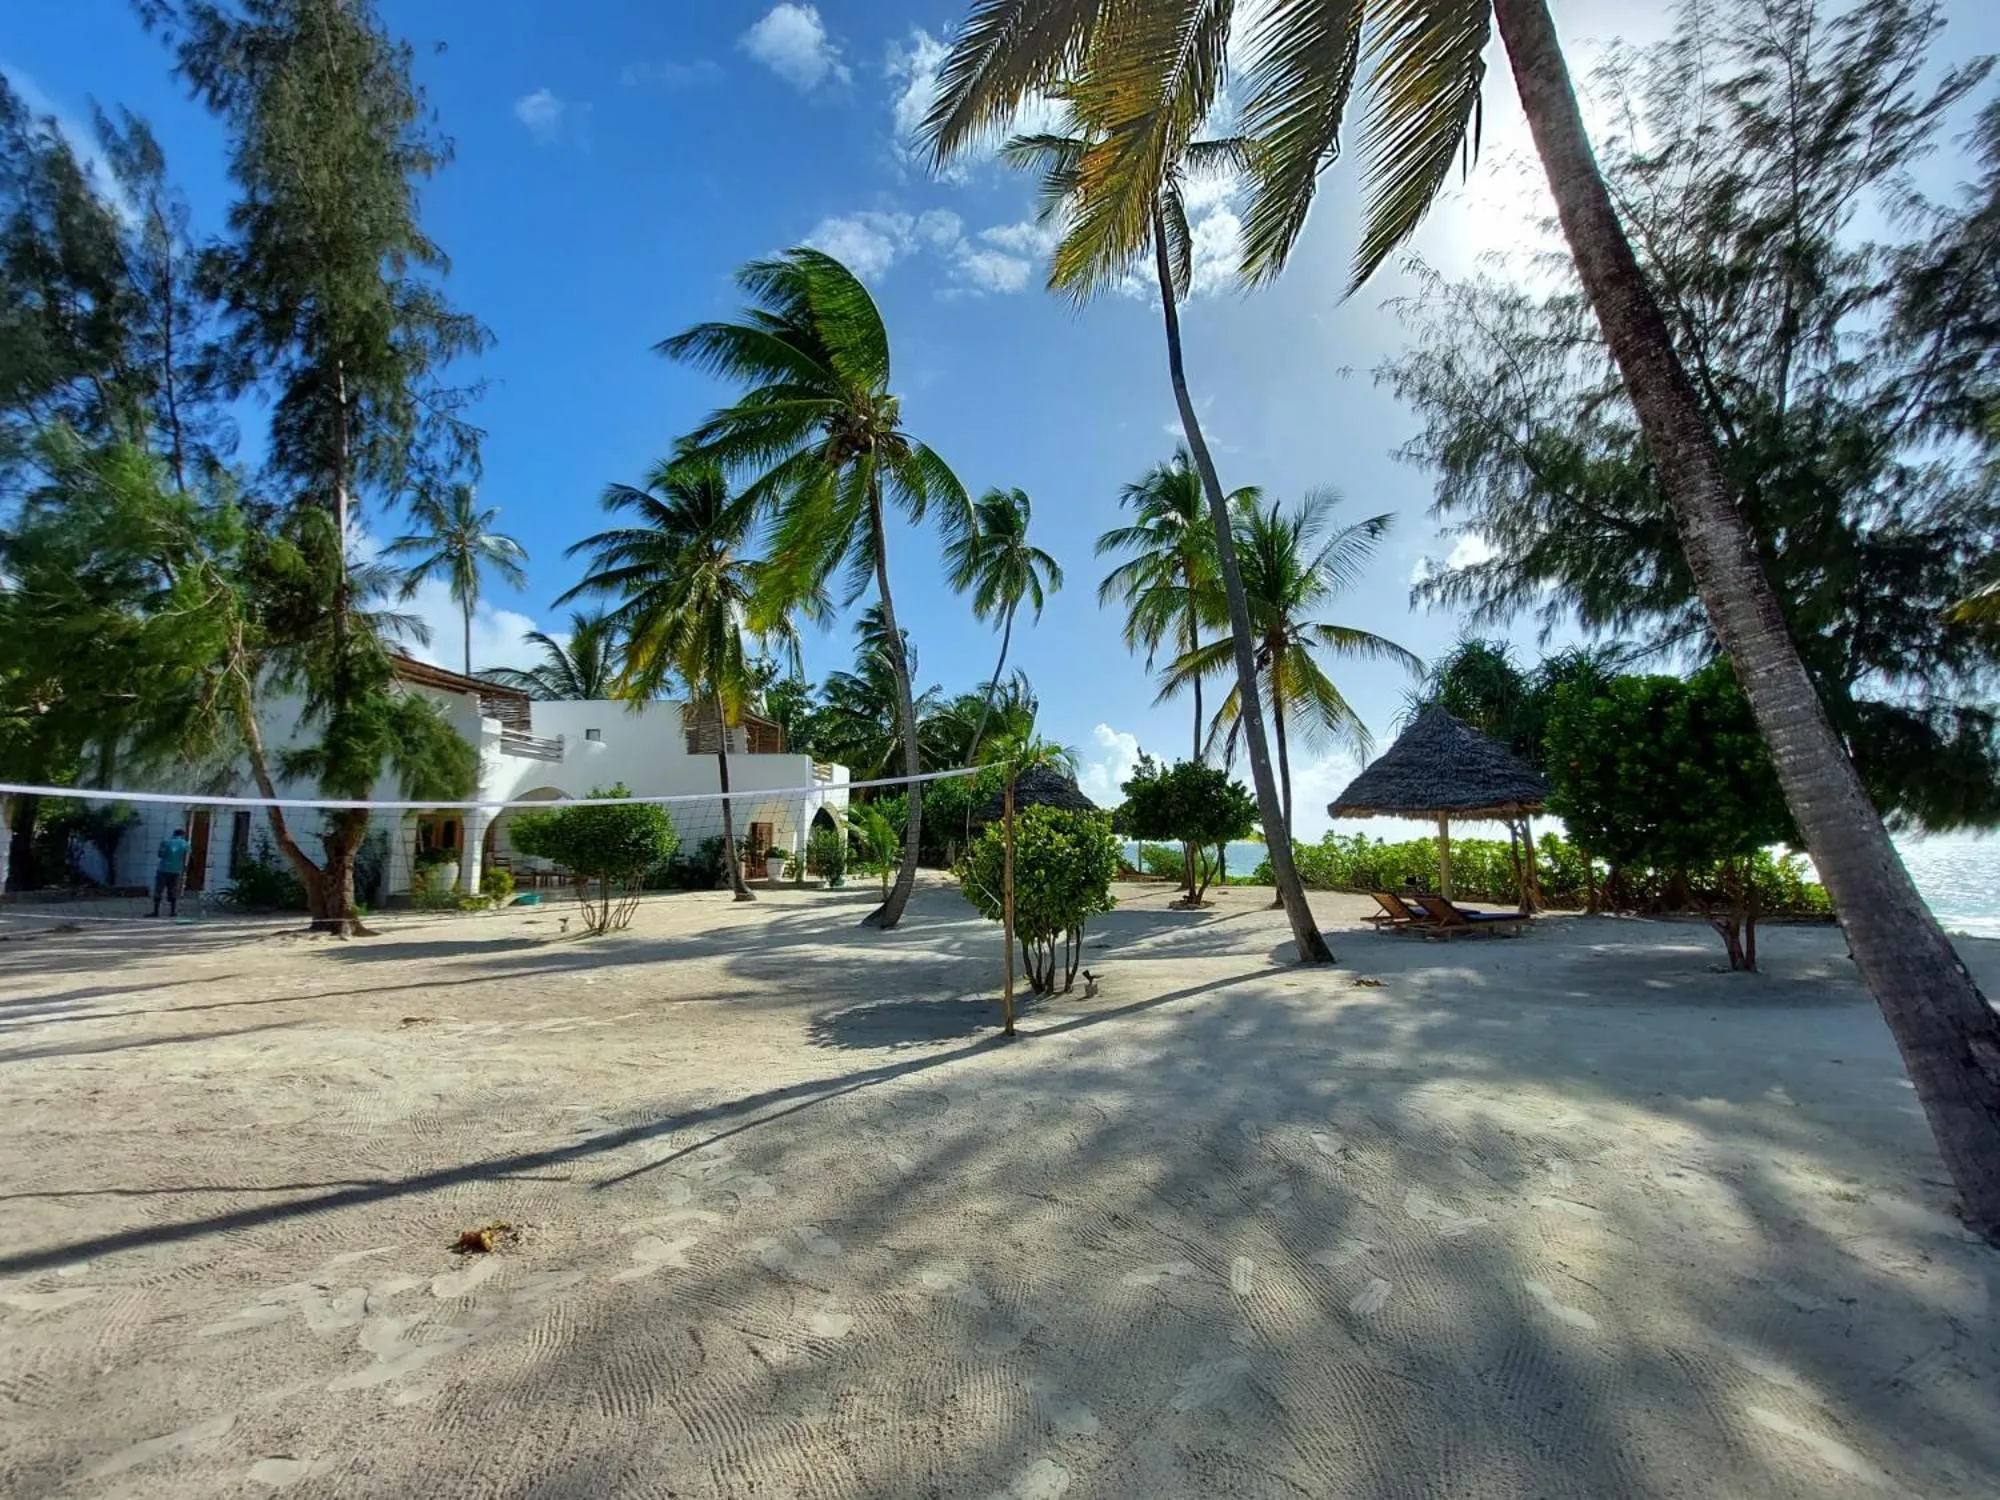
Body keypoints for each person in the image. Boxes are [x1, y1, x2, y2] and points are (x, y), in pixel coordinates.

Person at [151, 827, 192, 918]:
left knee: (159, 890)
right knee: (173, 890)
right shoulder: (185, 843)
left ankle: (156, 911)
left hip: (163, 869)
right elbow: (188, 854)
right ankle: (173, 911)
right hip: (176, 870)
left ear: (174, 834)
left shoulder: (165, 842)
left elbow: (160, 855)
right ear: (182, 835)